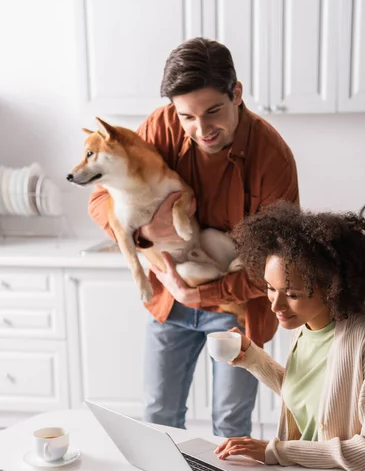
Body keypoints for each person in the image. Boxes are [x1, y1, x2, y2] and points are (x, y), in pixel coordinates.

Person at [88, 38, 299, 437]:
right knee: (158, 418)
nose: (201, 130)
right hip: (170, 300)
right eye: (187, 116)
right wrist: (148, 233)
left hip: (239, 309)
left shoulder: (273, 159)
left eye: (213, 111)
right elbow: (101, 198)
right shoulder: (160, 126)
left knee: (230, 426)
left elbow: (279, 267)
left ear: (236, 93)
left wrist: (199, 296)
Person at [214, 201, 365, 471]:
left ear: (330, 288)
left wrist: (274, 451)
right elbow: (309, 394)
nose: (275, 306)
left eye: (292, 295)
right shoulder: (306, 325)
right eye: (270, 288)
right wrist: (251, 356)